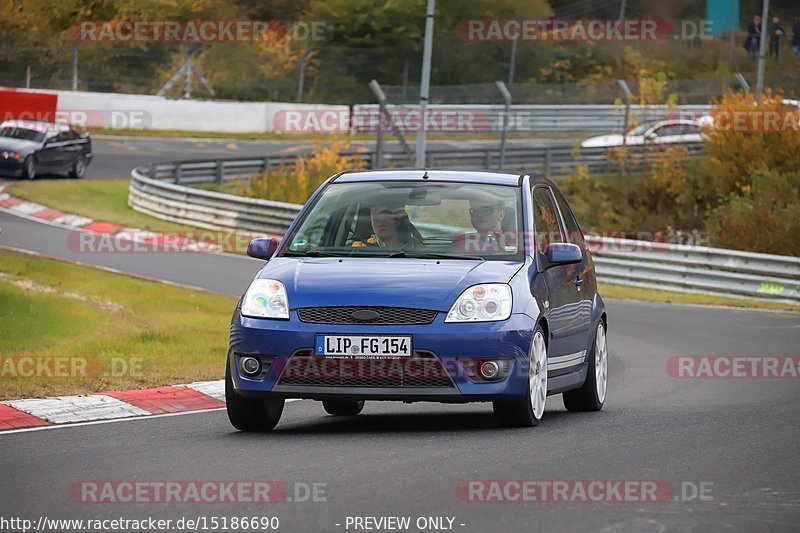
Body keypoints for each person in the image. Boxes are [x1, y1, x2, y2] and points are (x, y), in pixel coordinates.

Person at [352, 203, 423, 249]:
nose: (380, 224)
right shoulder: (361, 248)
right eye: (376, 220)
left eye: (385, 219)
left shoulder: (417, 249)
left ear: (397, 220)